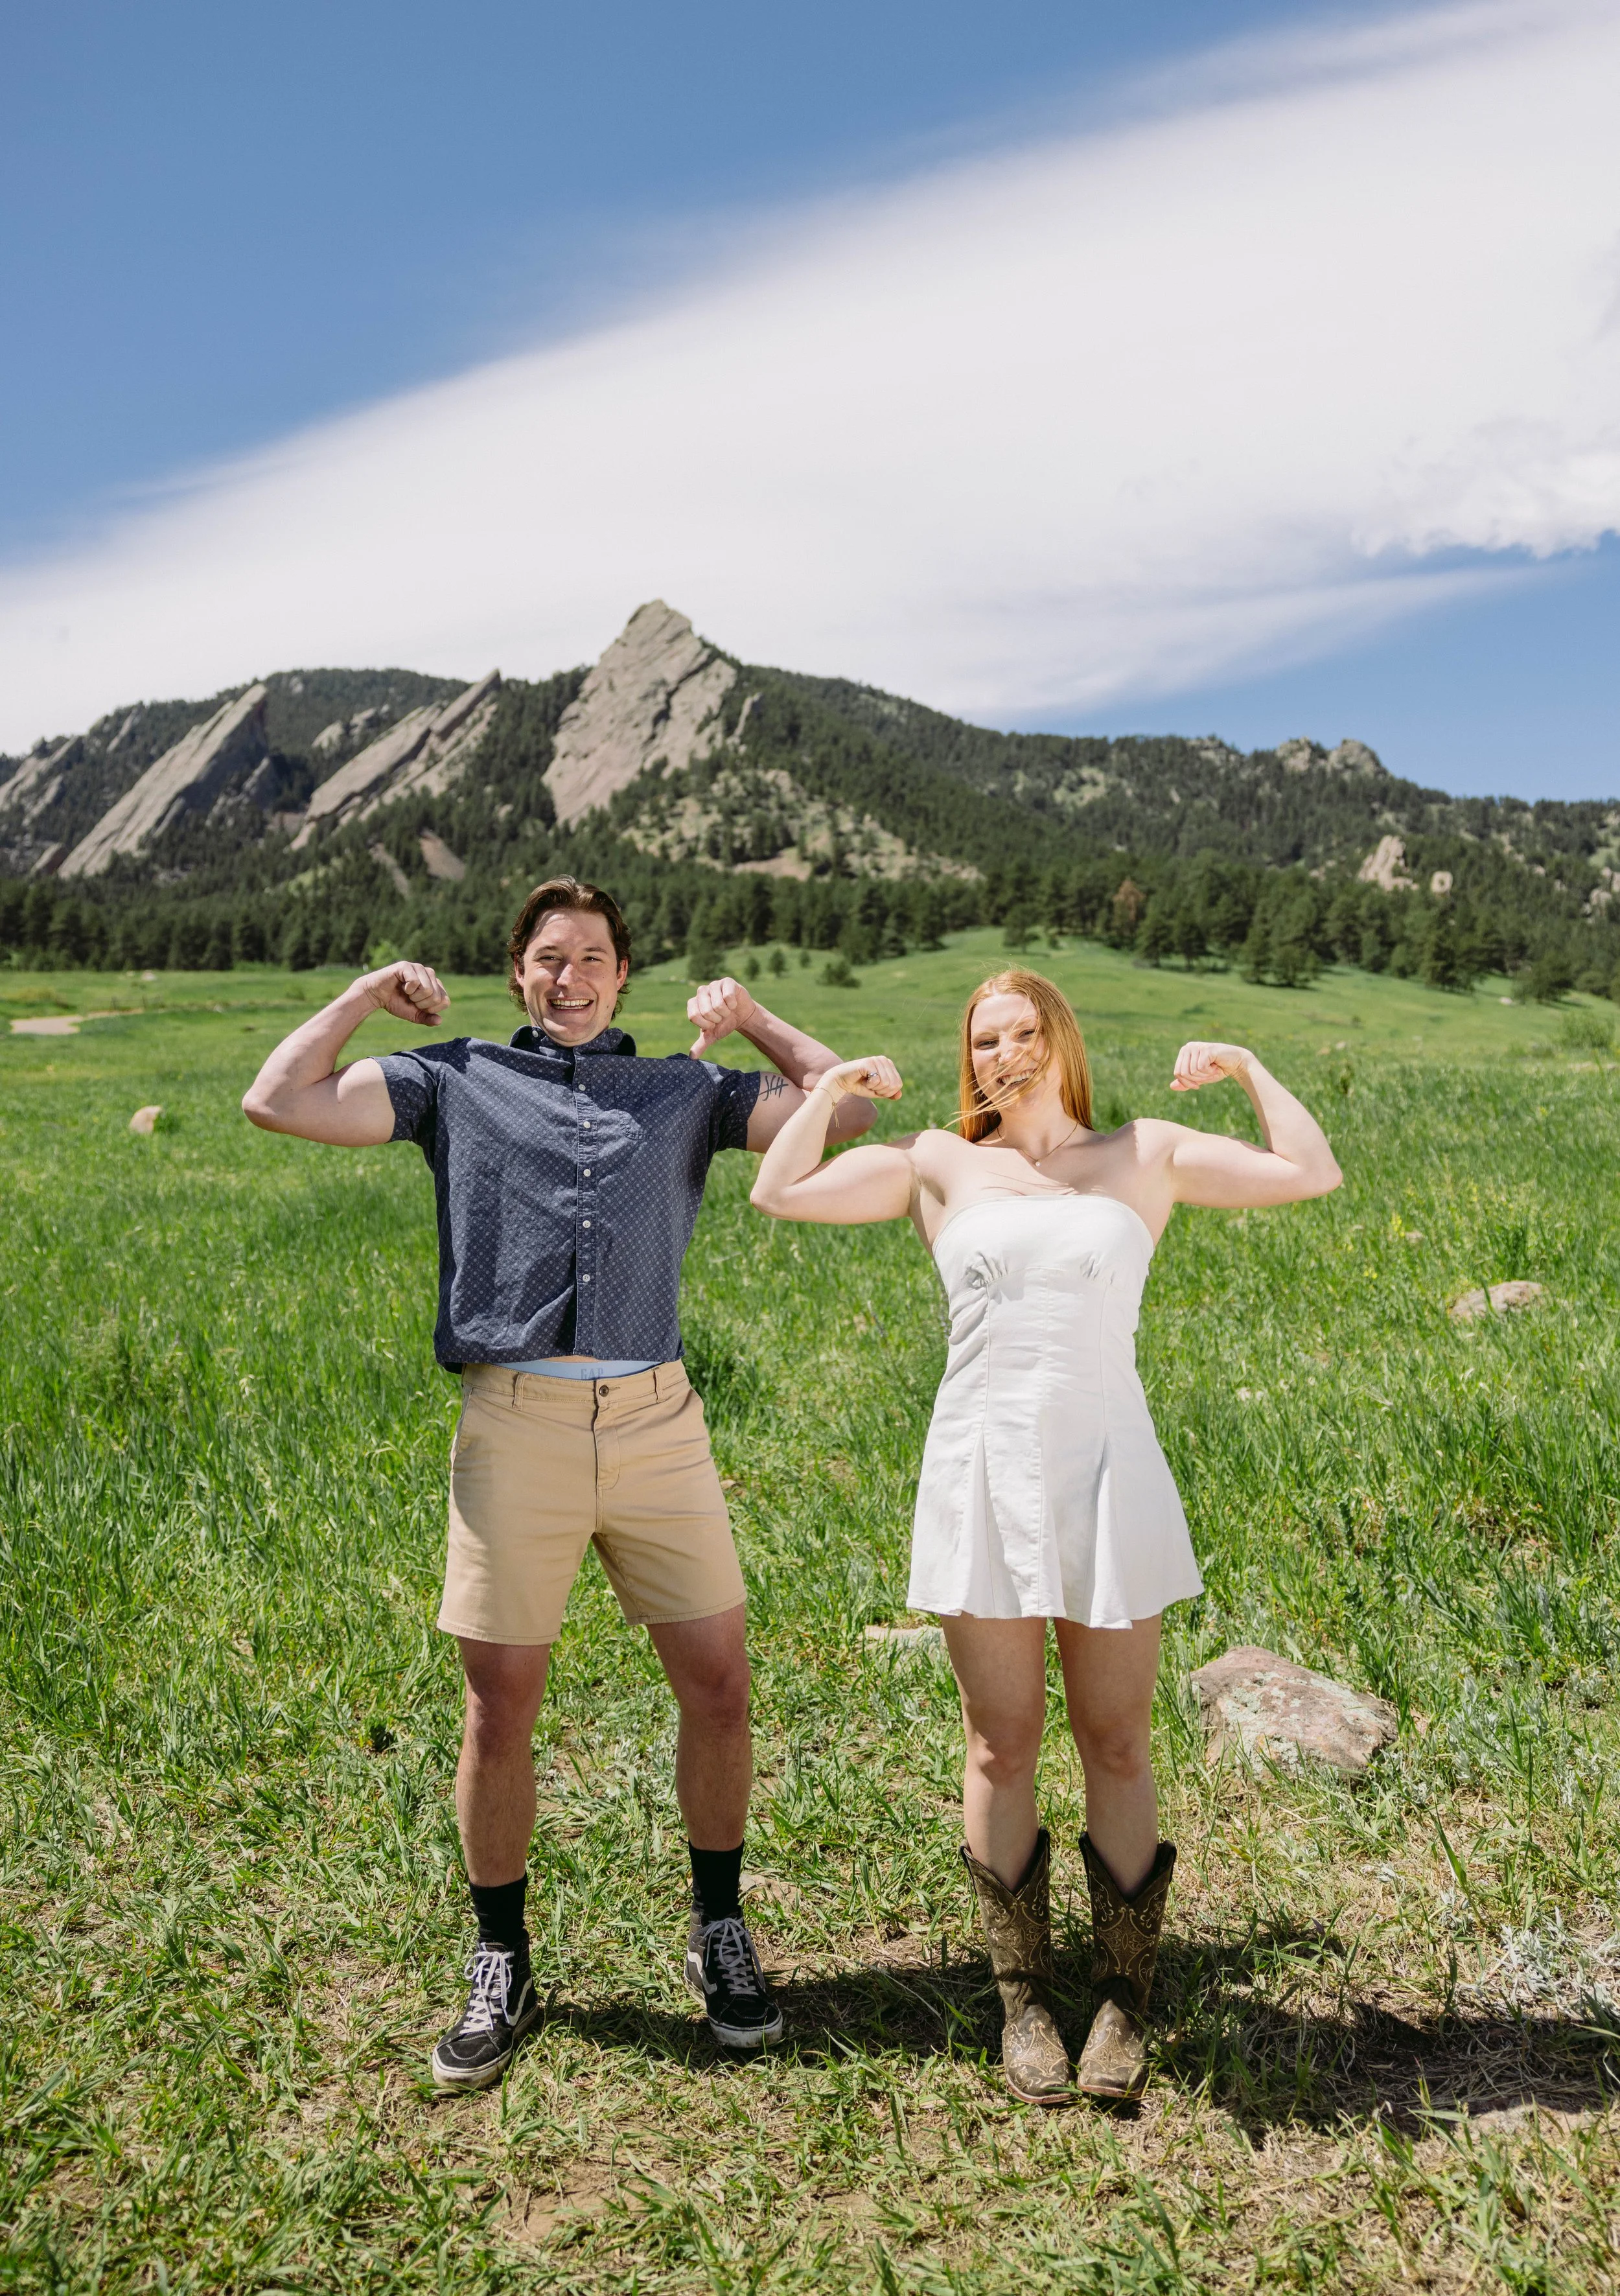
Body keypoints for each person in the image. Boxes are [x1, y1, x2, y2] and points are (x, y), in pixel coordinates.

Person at [242, 877, 872, 2089]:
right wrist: (370, 997)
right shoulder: (457, 1077)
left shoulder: (684, 1089)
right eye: (548, 958)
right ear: (519, 974)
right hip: (514, 1421)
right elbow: (277, 1100)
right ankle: (501, 1956)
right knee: (502, 1706)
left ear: (623, 976)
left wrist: (750, 1019)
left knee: (722, 1683)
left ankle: (719, 1926)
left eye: (593, 957)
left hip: (657, 1420)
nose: (571, 977)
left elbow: (841, 1112)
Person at [749, 968, 1341, 2104]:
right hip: (983, 1469)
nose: (1003, 1053)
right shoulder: (937, 1162)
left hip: (1108, 1471)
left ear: (1061, 1036)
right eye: (983, 1039)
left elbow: (1312, 1169)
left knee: (1117, 1739)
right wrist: (829, 1090)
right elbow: (782, 1193)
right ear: (966, 1056)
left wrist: (1251, 1069)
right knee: (1000, 1743)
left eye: (1023, 1030)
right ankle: (1025, 2002)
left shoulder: (1146, 1151)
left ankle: (1124, 1999)